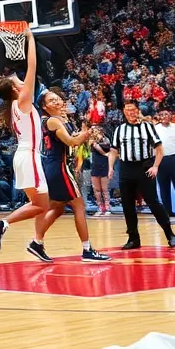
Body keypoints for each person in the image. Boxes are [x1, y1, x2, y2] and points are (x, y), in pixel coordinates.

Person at [0, 28, 51, 251]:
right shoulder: (23, 100)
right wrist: (30, 38)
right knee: (40, 205)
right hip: (29, 156)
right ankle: (2, 223)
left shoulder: (14, 105)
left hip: (25, 156)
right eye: (18, 80)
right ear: (16, 89)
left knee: (41, 204)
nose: (23, 80)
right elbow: (32, 66)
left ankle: (37, 243)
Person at [29, 91, 110, 263]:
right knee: (79, 206)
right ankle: (87, 249)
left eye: (58, 98)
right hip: (60, 167)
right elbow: (72, 142)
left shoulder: (54, 121)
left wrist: (84, 131)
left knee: (57, 208)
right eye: (52, 100)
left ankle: (37, 242)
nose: (57, 101)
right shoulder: (53, 121)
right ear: (44, 106)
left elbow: (73, 140)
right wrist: (86, 134)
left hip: (53, 166)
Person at [107, 101, 175, 250]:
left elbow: (159, 149)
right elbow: (113, 151)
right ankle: (133, 238)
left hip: (144, 167)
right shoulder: (120, 129)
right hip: (126, 168)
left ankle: (169, 233)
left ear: (137, 110)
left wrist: (155, 166)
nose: (130, 113)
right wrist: (110, 167)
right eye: (127, 110)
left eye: (132, 109)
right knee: (127, 205)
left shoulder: (147, 127)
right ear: (124, 112)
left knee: (153, 202)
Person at [89, 126, 112, 217]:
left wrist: (96, 145)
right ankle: (100, 207)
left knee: (104, 189)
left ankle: (107, 207)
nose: (94, 133)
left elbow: (105, 152)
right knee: (96, 189)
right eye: (93, 131)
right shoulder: (91, 141)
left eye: (96, 131)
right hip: (95, 166)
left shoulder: (105, 140)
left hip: (104, 166)